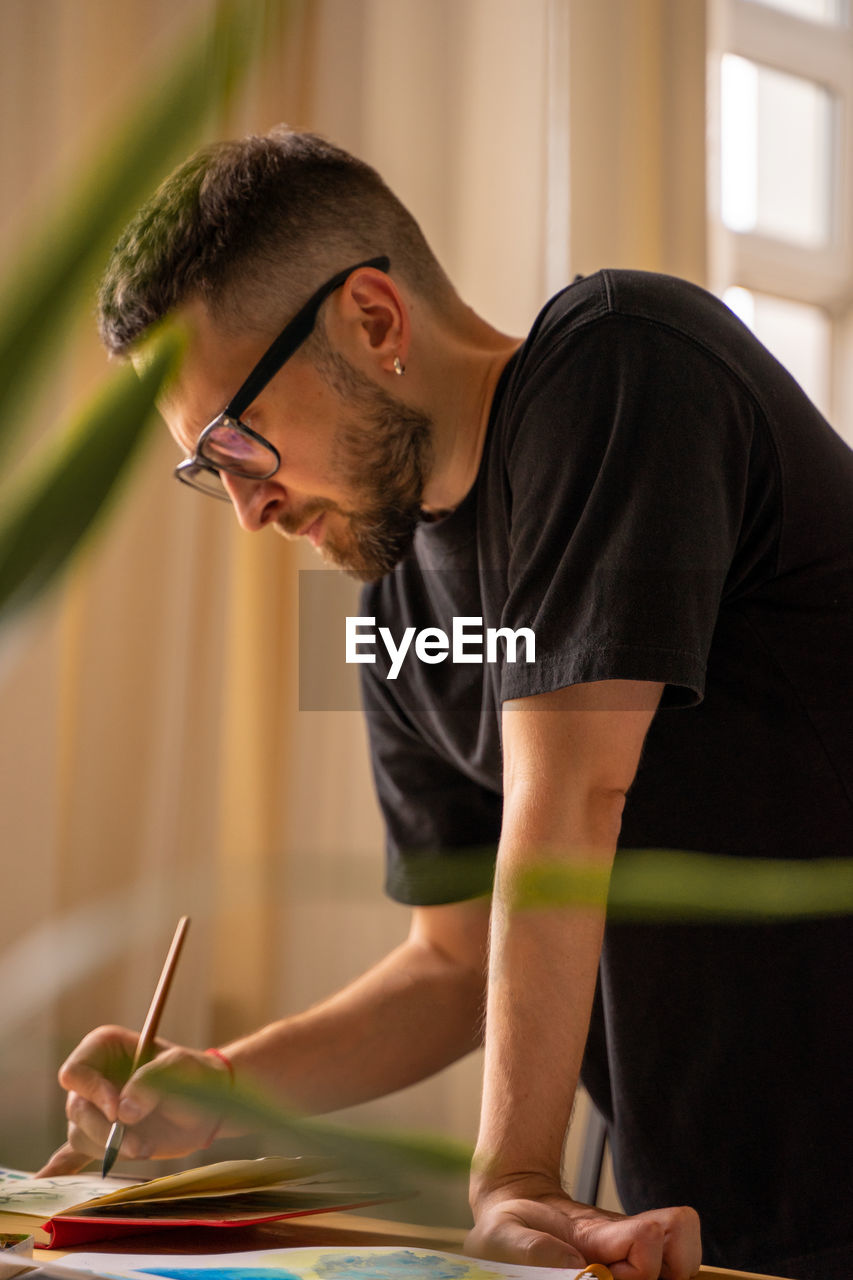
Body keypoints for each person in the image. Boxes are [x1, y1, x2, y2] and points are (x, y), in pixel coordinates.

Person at [38, 127, 852, 1280]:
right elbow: (455, 956)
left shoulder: (621, 360)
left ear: (374, 319)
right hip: (695, 1219)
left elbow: (570, 792)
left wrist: (513, 1179)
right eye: (205, 468)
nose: (247, 510)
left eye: (239, 441)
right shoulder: (385, 601)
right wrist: (227, 1085)